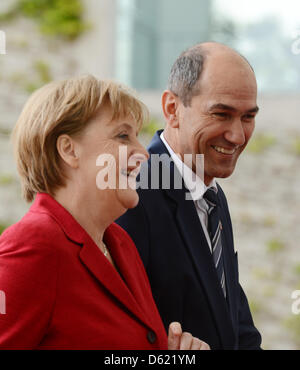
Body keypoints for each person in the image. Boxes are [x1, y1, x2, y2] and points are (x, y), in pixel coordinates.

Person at [0, 75, 209, 350]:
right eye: (123, 136)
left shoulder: (120, 243)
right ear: (69, 150)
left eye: (137, 136)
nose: (143, 153)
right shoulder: (33, 244)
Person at [116, 42, 262, 350]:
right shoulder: (132, 193)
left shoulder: (212, 196)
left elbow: (235, 327)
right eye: (221, 114)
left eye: (248, 117)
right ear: (172, 109)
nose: (237, 136)